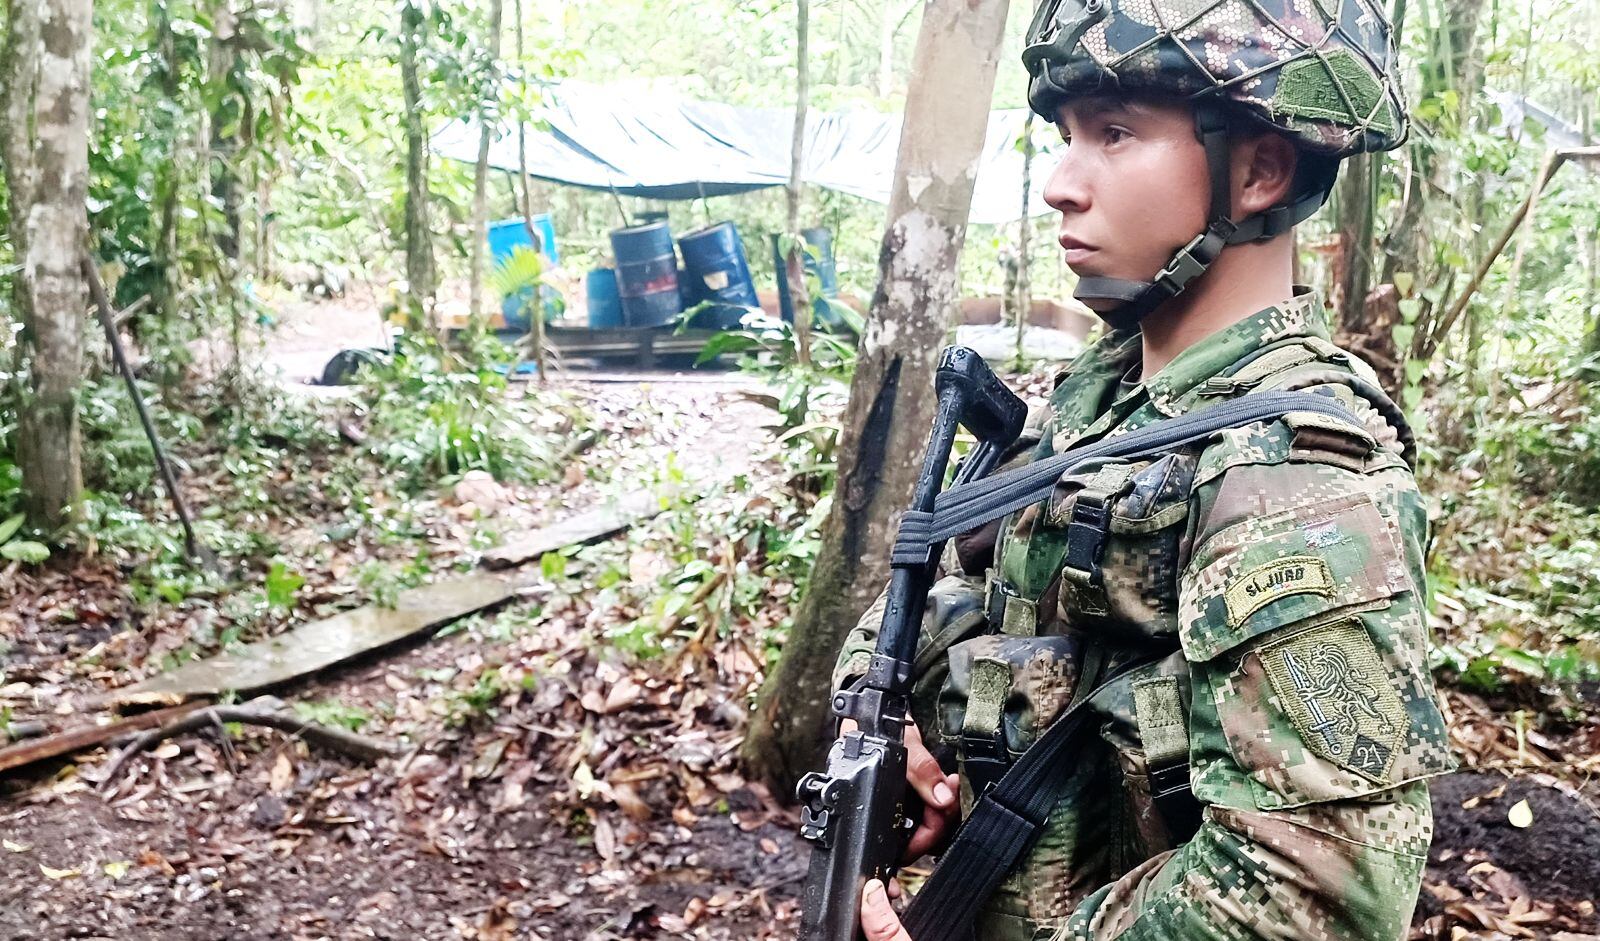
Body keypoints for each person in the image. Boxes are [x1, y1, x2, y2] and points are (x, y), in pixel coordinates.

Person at [832, 0, 1454, 938]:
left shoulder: (1296, 480)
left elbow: (1314, 891)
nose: (1061, 184)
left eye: (1116, 134)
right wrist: (891, 728)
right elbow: (934, 598)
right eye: (1068, 136)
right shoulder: (1094, 406)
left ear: (1258, 170)